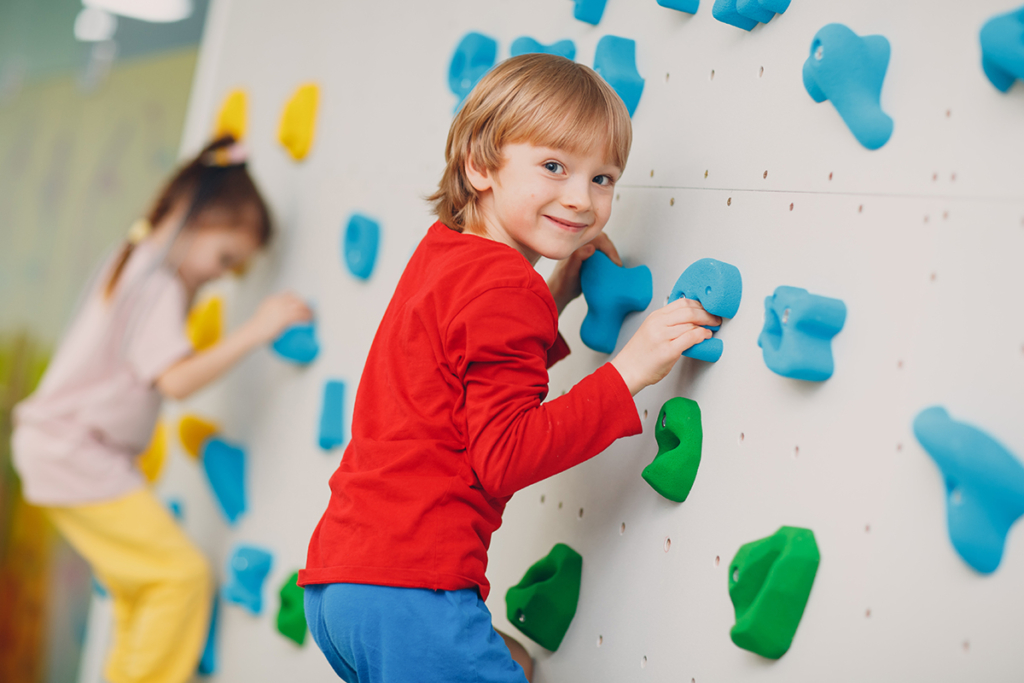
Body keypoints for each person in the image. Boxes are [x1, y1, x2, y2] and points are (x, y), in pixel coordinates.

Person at [299, 53, 720, 683]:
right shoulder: (504, 288)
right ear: (479, 165)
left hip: (342, 585)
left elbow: (459, 365)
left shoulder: (446, 254)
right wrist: (629, 369)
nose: (581, 199)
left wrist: (552, 294)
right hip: (414, 587)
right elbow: (506, 453)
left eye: (603, 179)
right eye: (554, 167)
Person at [11, 136, 312, 683]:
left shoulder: (135, 261)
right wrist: (257, 330)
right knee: (180, 578)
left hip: (63, 446)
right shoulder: (158, 284)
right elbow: (174, 380)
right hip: (73, 448)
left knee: (140, 592)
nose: (220, 274)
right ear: (192, 216)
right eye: (225, 259)